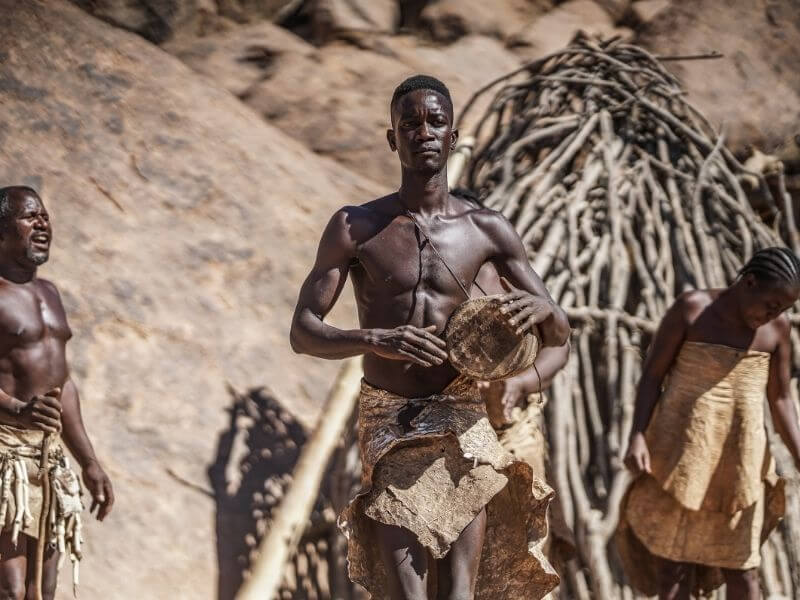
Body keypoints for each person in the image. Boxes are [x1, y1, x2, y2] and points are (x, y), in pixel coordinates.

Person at [290, 75, 569, 599]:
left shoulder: (488, 230)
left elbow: (560, 335)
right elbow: (303, 332)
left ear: (453, 135)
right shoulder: (355, 226)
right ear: (392, 140)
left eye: (435, 121)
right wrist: (374, 339)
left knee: (460, 594)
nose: (424, 132)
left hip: (464, 416)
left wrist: (543, 308)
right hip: (390, 417)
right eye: (410, 124)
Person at [616, 247, 800, 600]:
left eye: (783, 310)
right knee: (672, 568)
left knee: (742, 569)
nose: (773, 314)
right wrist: (638, 436)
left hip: (739, 466)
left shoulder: (777, 329)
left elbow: (780, 398)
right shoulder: (693, 310)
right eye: (771, 305)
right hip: (679, 457)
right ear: (748, 282)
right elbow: (653, 375)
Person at [0, 186, 114, 600]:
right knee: (9, 590)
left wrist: (89, 461)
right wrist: (16, 409)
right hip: (4, 454)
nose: (43, 223)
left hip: (48, 456)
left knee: (43, 591)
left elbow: (61, 385)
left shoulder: (49, 293)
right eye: (30, 217)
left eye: (45, 216)